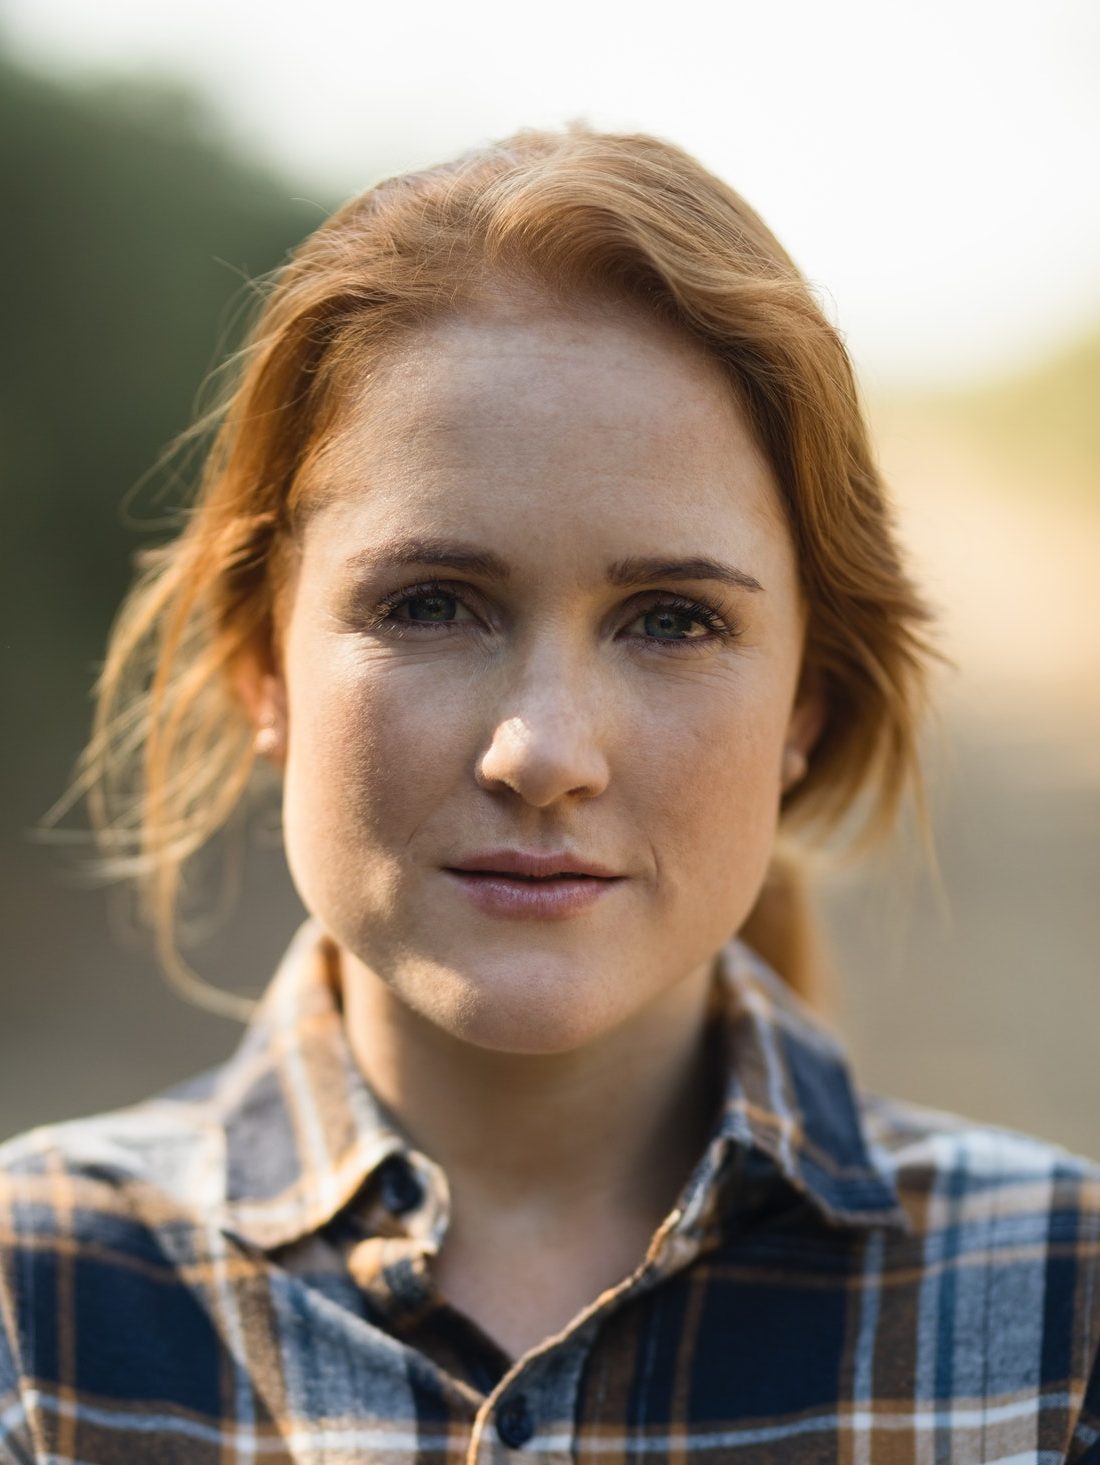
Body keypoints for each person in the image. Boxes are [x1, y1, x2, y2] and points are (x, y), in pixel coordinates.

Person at [1, 123, 1098, 1465]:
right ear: (260, 664)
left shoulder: (1059, 1323)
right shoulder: (32, 1311)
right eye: (429, 603)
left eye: (674, 621)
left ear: (805, 702)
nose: (544, 749)